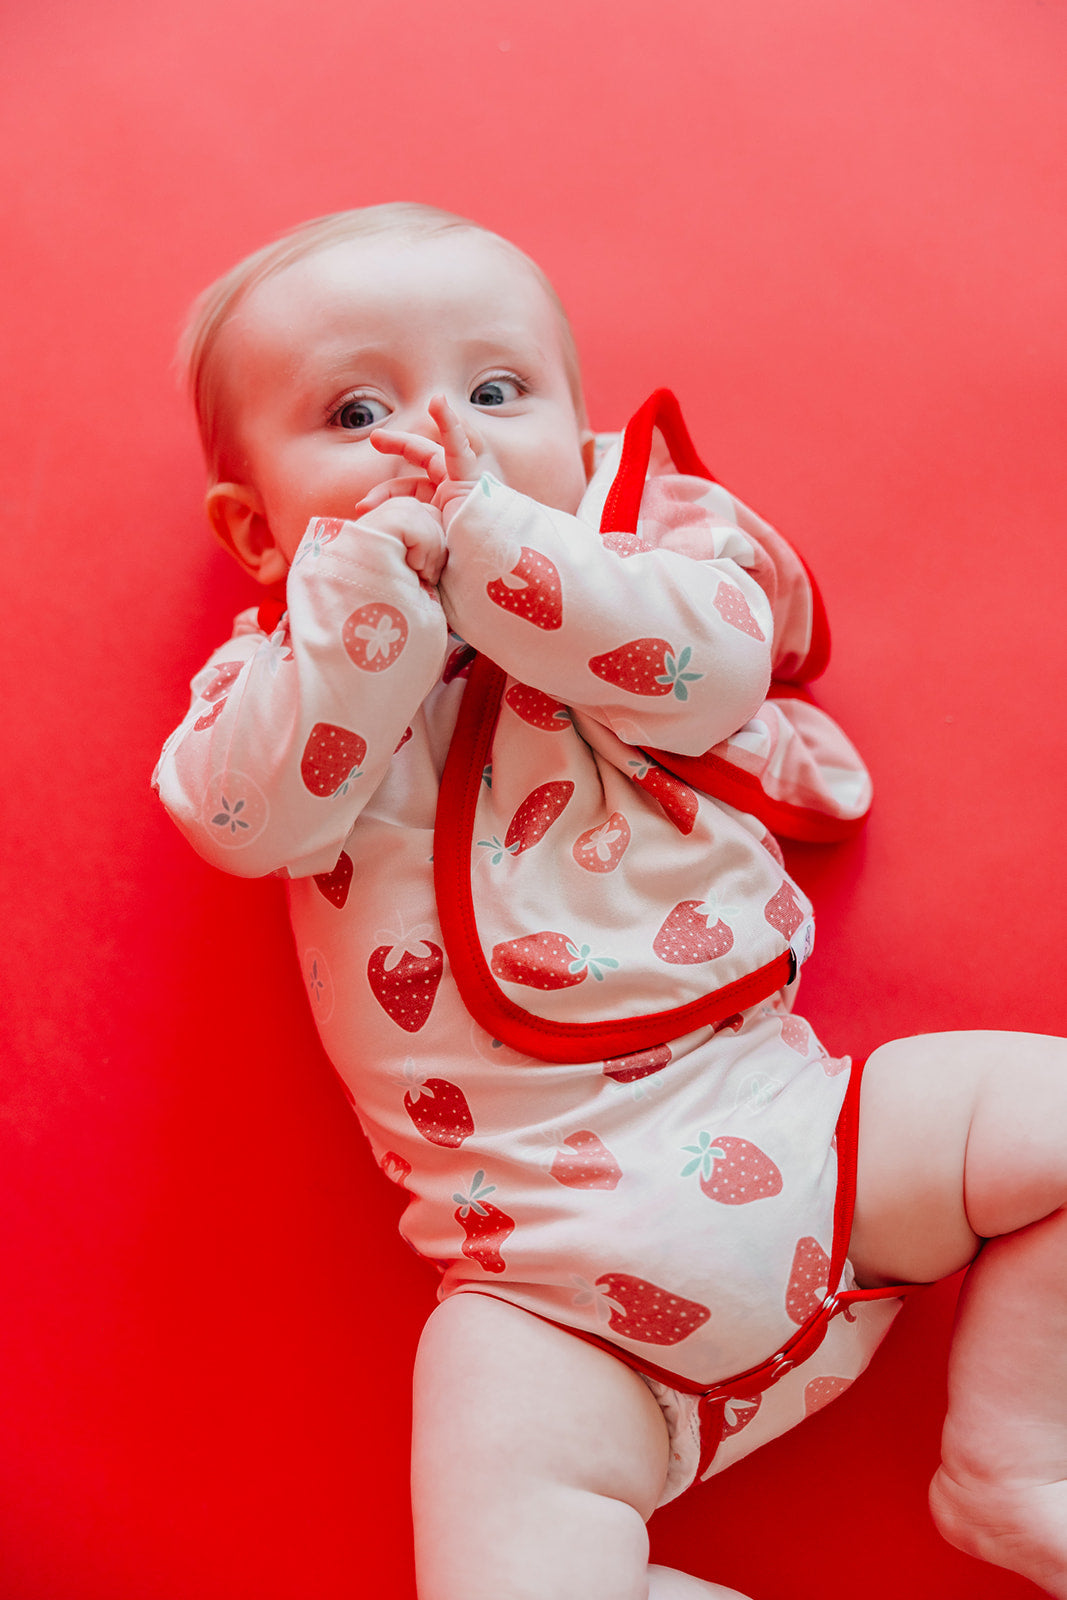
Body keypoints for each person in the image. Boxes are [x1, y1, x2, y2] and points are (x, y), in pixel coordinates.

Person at [154, 202, 1067, 1599]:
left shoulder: (645, 563)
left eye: (495, 391)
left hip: (801, 1137)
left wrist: (504, 540)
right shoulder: (273, 678)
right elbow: (245, 817)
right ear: (257, 531)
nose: (434, 436)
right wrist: (363, 617)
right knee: (500, 1557)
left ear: (578, 445)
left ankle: (1011, 1458)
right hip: (539, 1278)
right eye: (356, 412)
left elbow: (713, 669)